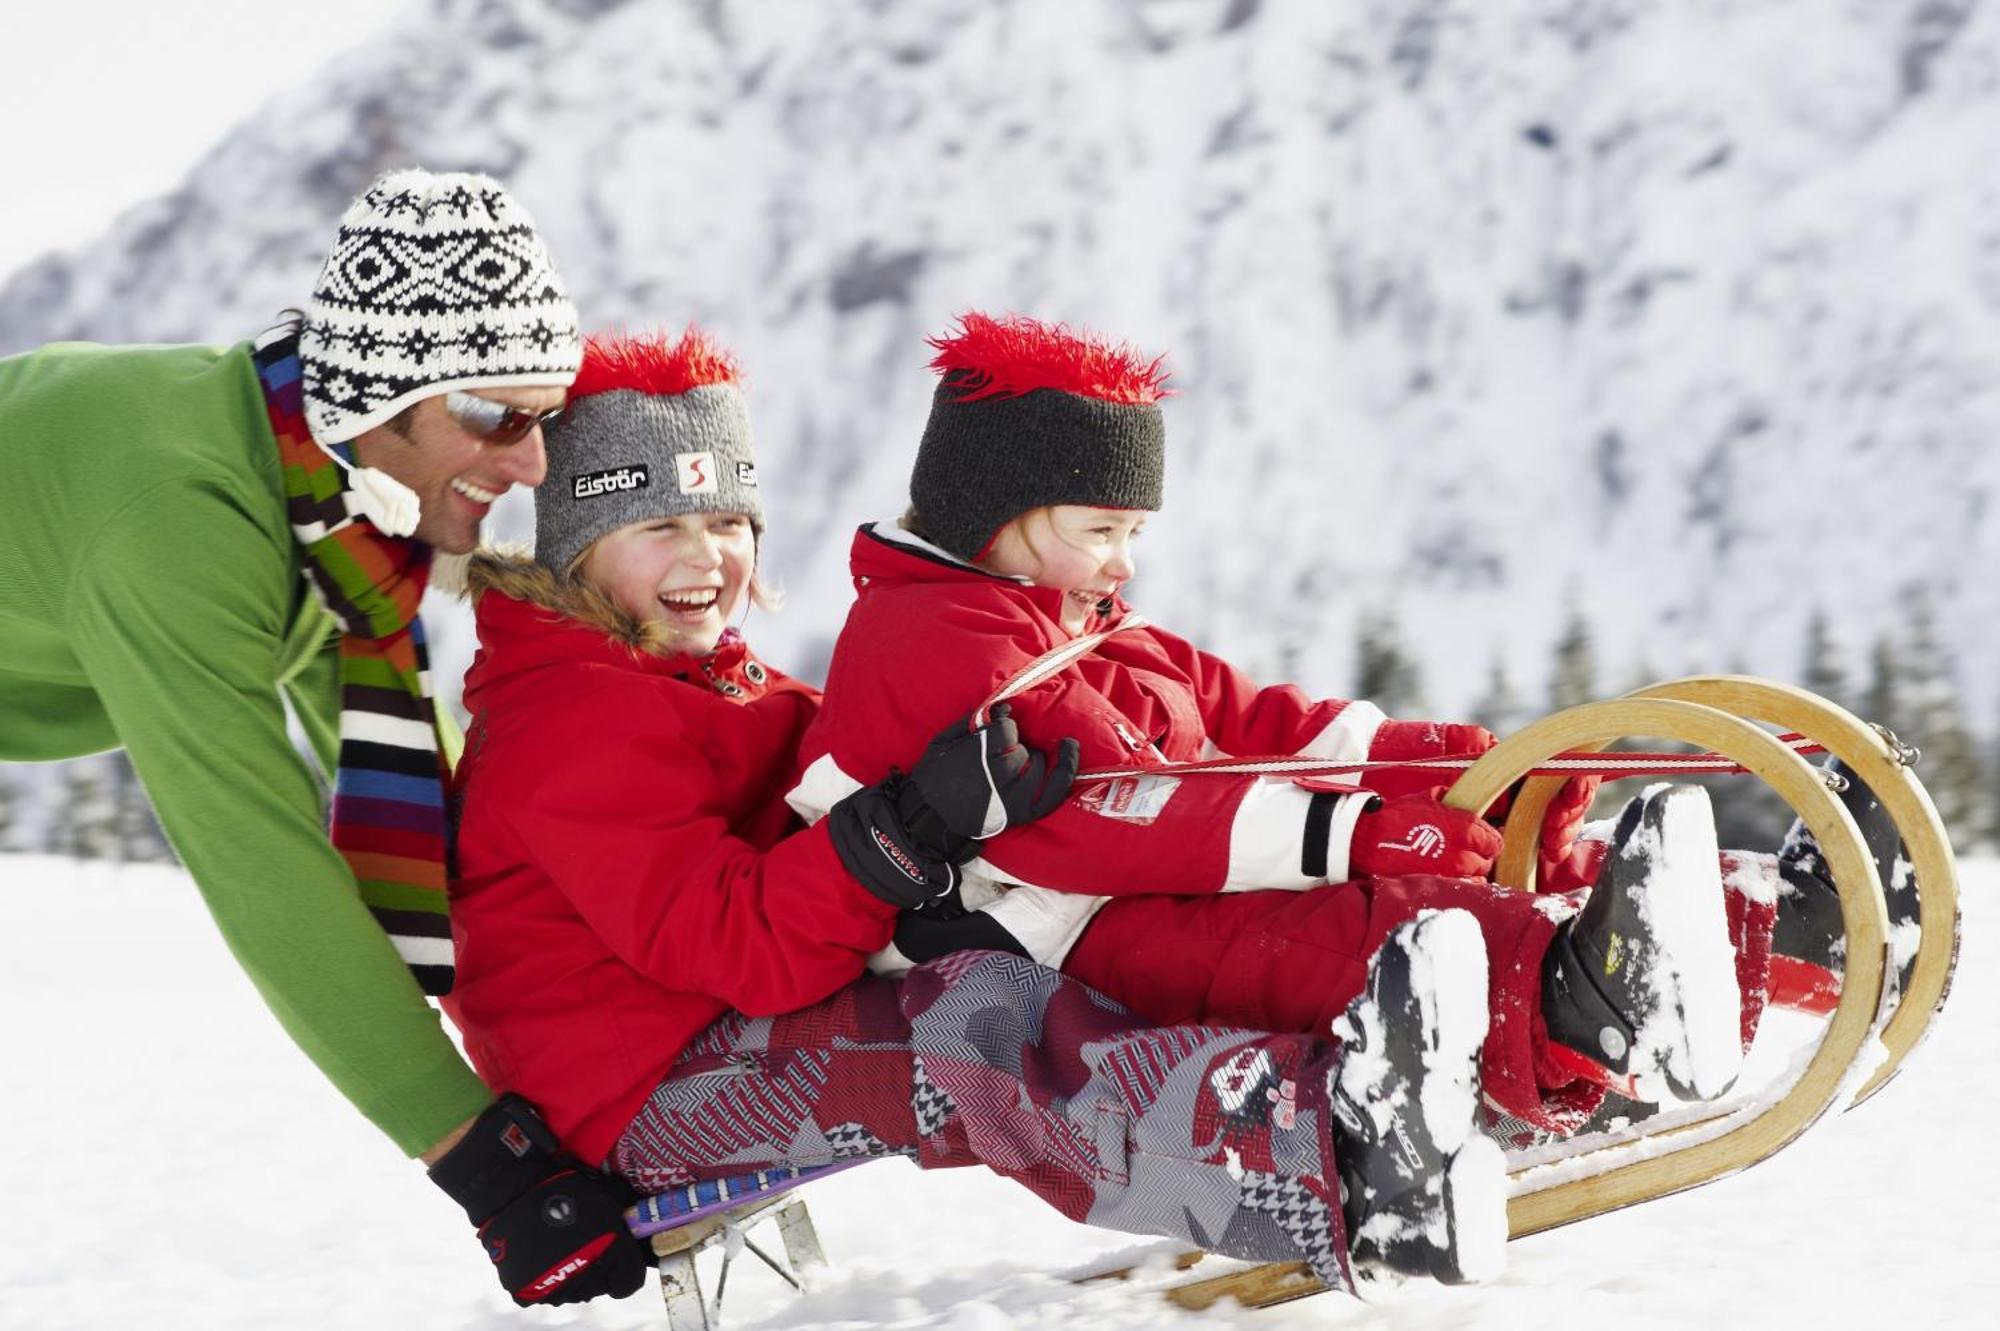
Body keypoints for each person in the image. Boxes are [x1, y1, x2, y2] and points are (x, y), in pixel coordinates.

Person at [444, 328, 1514, 1288]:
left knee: (1078, 932)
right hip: (638, 1095)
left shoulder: (709, 681)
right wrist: (907, 829)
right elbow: (739, 941)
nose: (705, 556)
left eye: (727, 517)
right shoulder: (563, 725)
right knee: (973, 1022)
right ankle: (1331, 1161)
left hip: (725, 1020)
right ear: (576, 546)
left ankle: (1395, 1066)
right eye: (658, 525)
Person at [788, 312, 1760, 1134]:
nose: (1123, 560)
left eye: (1132, 532)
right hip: (1037, 929)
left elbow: (1237, 716)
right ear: (988, 516)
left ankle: (1710, 930)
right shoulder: (935, 637)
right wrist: (1346, 833)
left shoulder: (1066, 614)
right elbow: (1105, 815)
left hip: (1125, 884)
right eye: (1099, 530)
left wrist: (1412, 765)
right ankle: (1577, 1000)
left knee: (1428, 852)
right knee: (1305, 935)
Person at [0, 168, 649, 1304]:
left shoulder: (337, 497)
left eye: (543, 416)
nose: (532, 463)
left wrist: (588, 988)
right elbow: (263, 859)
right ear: (375, 396)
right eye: (494, 414)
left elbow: (407, 795)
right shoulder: (185, 524)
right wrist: (482, 1160)